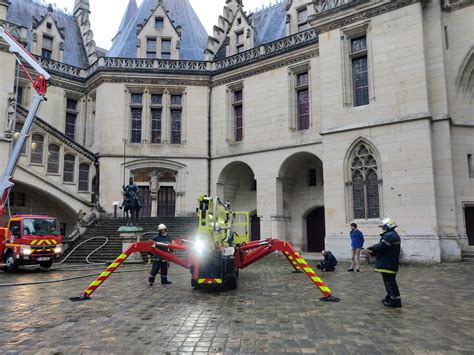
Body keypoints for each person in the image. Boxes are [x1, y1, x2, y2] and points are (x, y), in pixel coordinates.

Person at [367, 217, 402, 308]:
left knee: (390, 282)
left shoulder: (389, 235)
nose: (383, 228)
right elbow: (385, 248)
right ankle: (390, 297)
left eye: (383, 227)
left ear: (387, 226)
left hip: (388, 263)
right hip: (389, 262)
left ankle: (395, 301)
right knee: (389, 282)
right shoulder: (392, 234)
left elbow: (381, 246)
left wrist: (370, 249)